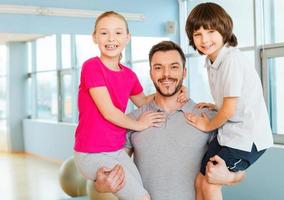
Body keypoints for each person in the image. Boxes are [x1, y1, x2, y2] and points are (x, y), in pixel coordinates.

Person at [93, 41, 244, 200]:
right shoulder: (132, 120)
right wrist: (100, 184)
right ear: (151, 73)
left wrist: (229, 177)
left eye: (174, 67)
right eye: (158, 67)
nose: (166, 74)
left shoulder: (208, 118)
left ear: (184, 72)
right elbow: (111, 167)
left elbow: (239, 171)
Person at [73, 11, 171, 200]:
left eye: (118, 33)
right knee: (141, 198)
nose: (111, 38)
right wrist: (139, 125)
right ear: (95, 37)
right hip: (91, 153)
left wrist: (170, 90)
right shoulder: (92, 67)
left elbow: (143, 102)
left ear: (128, 37)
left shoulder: (129, 75)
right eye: (104, 33)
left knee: (142, 195)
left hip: (117, 151)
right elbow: (109, 112)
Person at [185, 2, 273, 200]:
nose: (204, 39)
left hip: (248, 138)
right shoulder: (211, 60)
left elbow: (229, 111)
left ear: (224, 30)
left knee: (210, 183)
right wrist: (216, 106)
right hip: (231, 133)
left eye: (210, 32)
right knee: (199, 180)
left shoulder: (232, 60)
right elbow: (233, 100)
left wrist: (207, 124)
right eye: (198, 34)